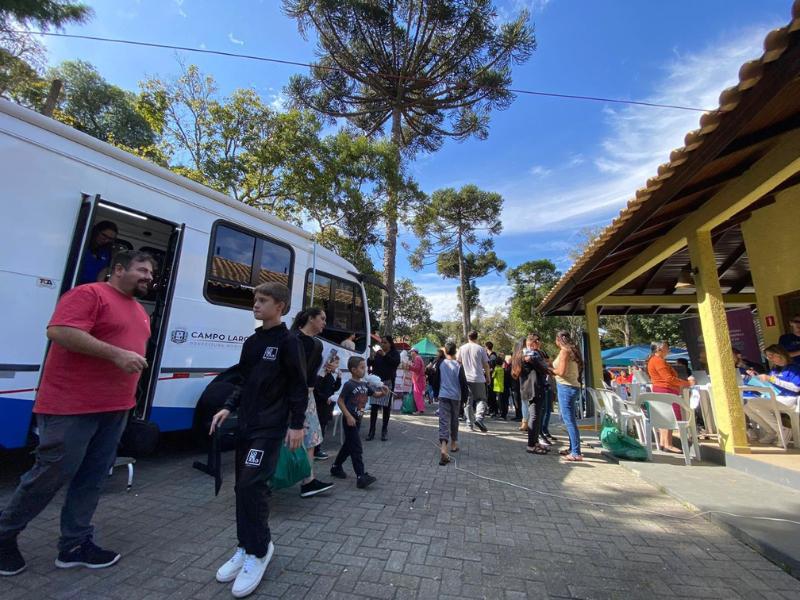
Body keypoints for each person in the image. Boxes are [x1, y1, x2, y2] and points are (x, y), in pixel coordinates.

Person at [0, 250, 154, 578]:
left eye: (151, 273)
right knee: (49, 475)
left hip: (115, 409)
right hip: (72, 407)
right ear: (118, 269)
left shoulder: (140, 310)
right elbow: (59, 331)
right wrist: (115, 354)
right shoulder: (89, 293)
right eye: (142, 270)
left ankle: (74, 545)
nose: (148, 277)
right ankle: (4, 535)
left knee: (92, 479)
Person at [209, 282, 307, 598]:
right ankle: (244, 546)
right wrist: (228, 407)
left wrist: (297, 425)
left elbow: (297, 387)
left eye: (262, 300)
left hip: (270, 428)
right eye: (255, 299)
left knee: (253, 485)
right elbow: (243, 379)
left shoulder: (290, 342)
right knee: (240, 487)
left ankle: (260, 550)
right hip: (247, 425)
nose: (256, 304)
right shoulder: (252, 342)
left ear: (280, 306)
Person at [291, 308, 335, 498]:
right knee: (310, 437)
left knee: (309, 438)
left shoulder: (297, 339)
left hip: (299, 395)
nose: (325, 323)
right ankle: (307, 481)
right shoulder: (309, 343)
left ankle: (307, 479)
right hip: (300, 396)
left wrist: (326, 371)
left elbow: (311, 377)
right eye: (322, 319)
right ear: (310, 319)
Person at [329, 357, 387, 487]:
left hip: (358, 420)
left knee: (348, 446)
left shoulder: (364, 385)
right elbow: (340, 401)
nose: (365, 369)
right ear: (353, 370)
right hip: (350, 420)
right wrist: (348, 416)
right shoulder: (349, 385)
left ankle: (336, 466)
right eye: (362, 367)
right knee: (356, 448)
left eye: (365, 367)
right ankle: (360, 476)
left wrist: (383, 393)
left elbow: (375, 394)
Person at [743, 344, 799, 445]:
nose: (770, 359)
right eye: (768, 357)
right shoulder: (774, 370)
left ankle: (781, 431)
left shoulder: (794, 368)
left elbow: (796, 388)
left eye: (771, 355)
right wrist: (756, 377)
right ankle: (772, 432)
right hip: (775, 397)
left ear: (780, 354)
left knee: (754, 404)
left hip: (788, 399)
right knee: (747, 407)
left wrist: (771, 379)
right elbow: (768, 385)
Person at [646, 341, 694, 454]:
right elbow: (668, 378)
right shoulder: (658, 361)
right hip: (666, 389)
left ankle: (664, 442)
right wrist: (687, 383)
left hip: (663, 389)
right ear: (660, 348)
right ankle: (668, 443)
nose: (669, 349)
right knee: (669, 416)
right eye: (667, 347)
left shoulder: (655, 360)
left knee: (665, 416)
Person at [512, 338, 548, 455]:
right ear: (530, 343)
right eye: (537, 342)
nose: (539, 344)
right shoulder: (529, 355)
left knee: (535, 416)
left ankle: (535, 442)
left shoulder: (521, 355)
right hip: (534, 388)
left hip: (529, 388)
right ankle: (531, 445)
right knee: (534, 416)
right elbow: (544, 368)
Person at [553, 330, 584, 462]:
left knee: (569, 421)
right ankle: (573, 448)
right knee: (570, 420)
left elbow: (561, 371)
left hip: (566, 387)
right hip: (572, 386)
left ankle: (576, 452)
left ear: (558, 340)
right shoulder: (573, 350)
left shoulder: (564, 351)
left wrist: (548, 369)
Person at [437, 342, 468, 465]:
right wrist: (465, 399)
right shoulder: (459, 365)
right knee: (454, 420)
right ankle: (454, 444)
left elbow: (436, 379)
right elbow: (463, 383)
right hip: (456, 397)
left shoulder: (441, 364)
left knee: (443, 421)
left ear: (445, 351)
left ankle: (444, 447)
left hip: (443, 395)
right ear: (455, 352)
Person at [367, 335, 401, 441]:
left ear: (390, 344)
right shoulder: (378, 353)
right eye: (382, 342)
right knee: (374, 407)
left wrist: (385, 355)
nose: (383, 344)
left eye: (385, 342)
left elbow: (394, 363)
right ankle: (371, 432)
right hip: (376, 382)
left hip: (388, 382)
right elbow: (370, 363)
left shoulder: (395, 354)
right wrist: (371, 357)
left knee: (386, 408)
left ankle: (384, 431)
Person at [458, 331, 491, 432]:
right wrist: (488, 377)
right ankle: (479, 418)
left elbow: (458, 362)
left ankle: (469, 424)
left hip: (466, 378)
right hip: (479, 378)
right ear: (477, 337)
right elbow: (486, 365)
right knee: (482, 399)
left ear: (468, 337)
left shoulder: (462, 348)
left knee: (468, 401)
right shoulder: (480, 349)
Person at [313, 355, 342, 461]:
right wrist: (326, 398)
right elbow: (316, 390)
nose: (337, 366)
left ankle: (318, 449)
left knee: (323, 426)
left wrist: (339, 378)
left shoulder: (330, 375)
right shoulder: (323, 374)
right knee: (320, 427)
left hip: (327, 407)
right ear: (329, 364)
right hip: (321, 406)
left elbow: (334, 388)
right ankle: (316, 450)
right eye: (336, 363)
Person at [78, 220, 118, 284]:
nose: (106, 240)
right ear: (96, 231)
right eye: (104, 235)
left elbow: (102, 274)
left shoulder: (107, 253)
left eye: (110, 239)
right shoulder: (81, 246)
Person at [409, 348, 426, 414]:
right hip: (419, 379)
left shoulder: (417, 358)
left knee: (417, 395)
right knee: (419, 395)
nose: (411, 353)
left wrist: (409, 366)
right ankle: (421, 409)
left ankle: (419, 410)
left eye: (411, 352)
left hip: (418, 379)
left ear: (414, 352)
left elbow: (417, 368)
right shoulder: (418, 358)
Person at [492, 353, 507, 420]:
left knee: (499, 402)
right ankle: (503, 414)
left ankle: (501, 414)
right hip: (502, 387)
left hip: (497, 387)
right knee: (502, 401)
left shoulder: (496, 368)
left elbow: (493, 376)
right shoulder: (502, 369)